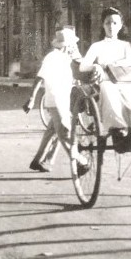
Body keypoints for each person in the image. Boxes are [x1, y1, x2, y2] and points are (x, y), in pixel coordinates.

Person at [24, 28, 90, 174]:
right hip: (56, 100)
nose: (74, 47)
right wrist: (32, 99)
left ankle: (37, 160)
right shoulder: (52, 57)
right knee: (64, 134)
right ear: (66, 45)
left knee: (51, 131)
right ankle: (82, 161)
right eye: (72, 45)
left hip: (63, 100)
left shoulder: (67, 58)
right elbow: (39, 78)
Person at [78, 7, 131, 136]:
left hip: (124, 80)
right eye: (108, 23)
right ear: (103, 25)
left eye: (115, 23)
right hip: (106, 80)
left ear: (120, 26)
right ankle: (117, 127)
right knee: (109, 89)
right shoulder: (97, 46)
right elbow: (83, 66)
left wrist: (115, 64)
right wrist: (95, 66)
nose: (111, 26)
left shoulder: (125, 45)